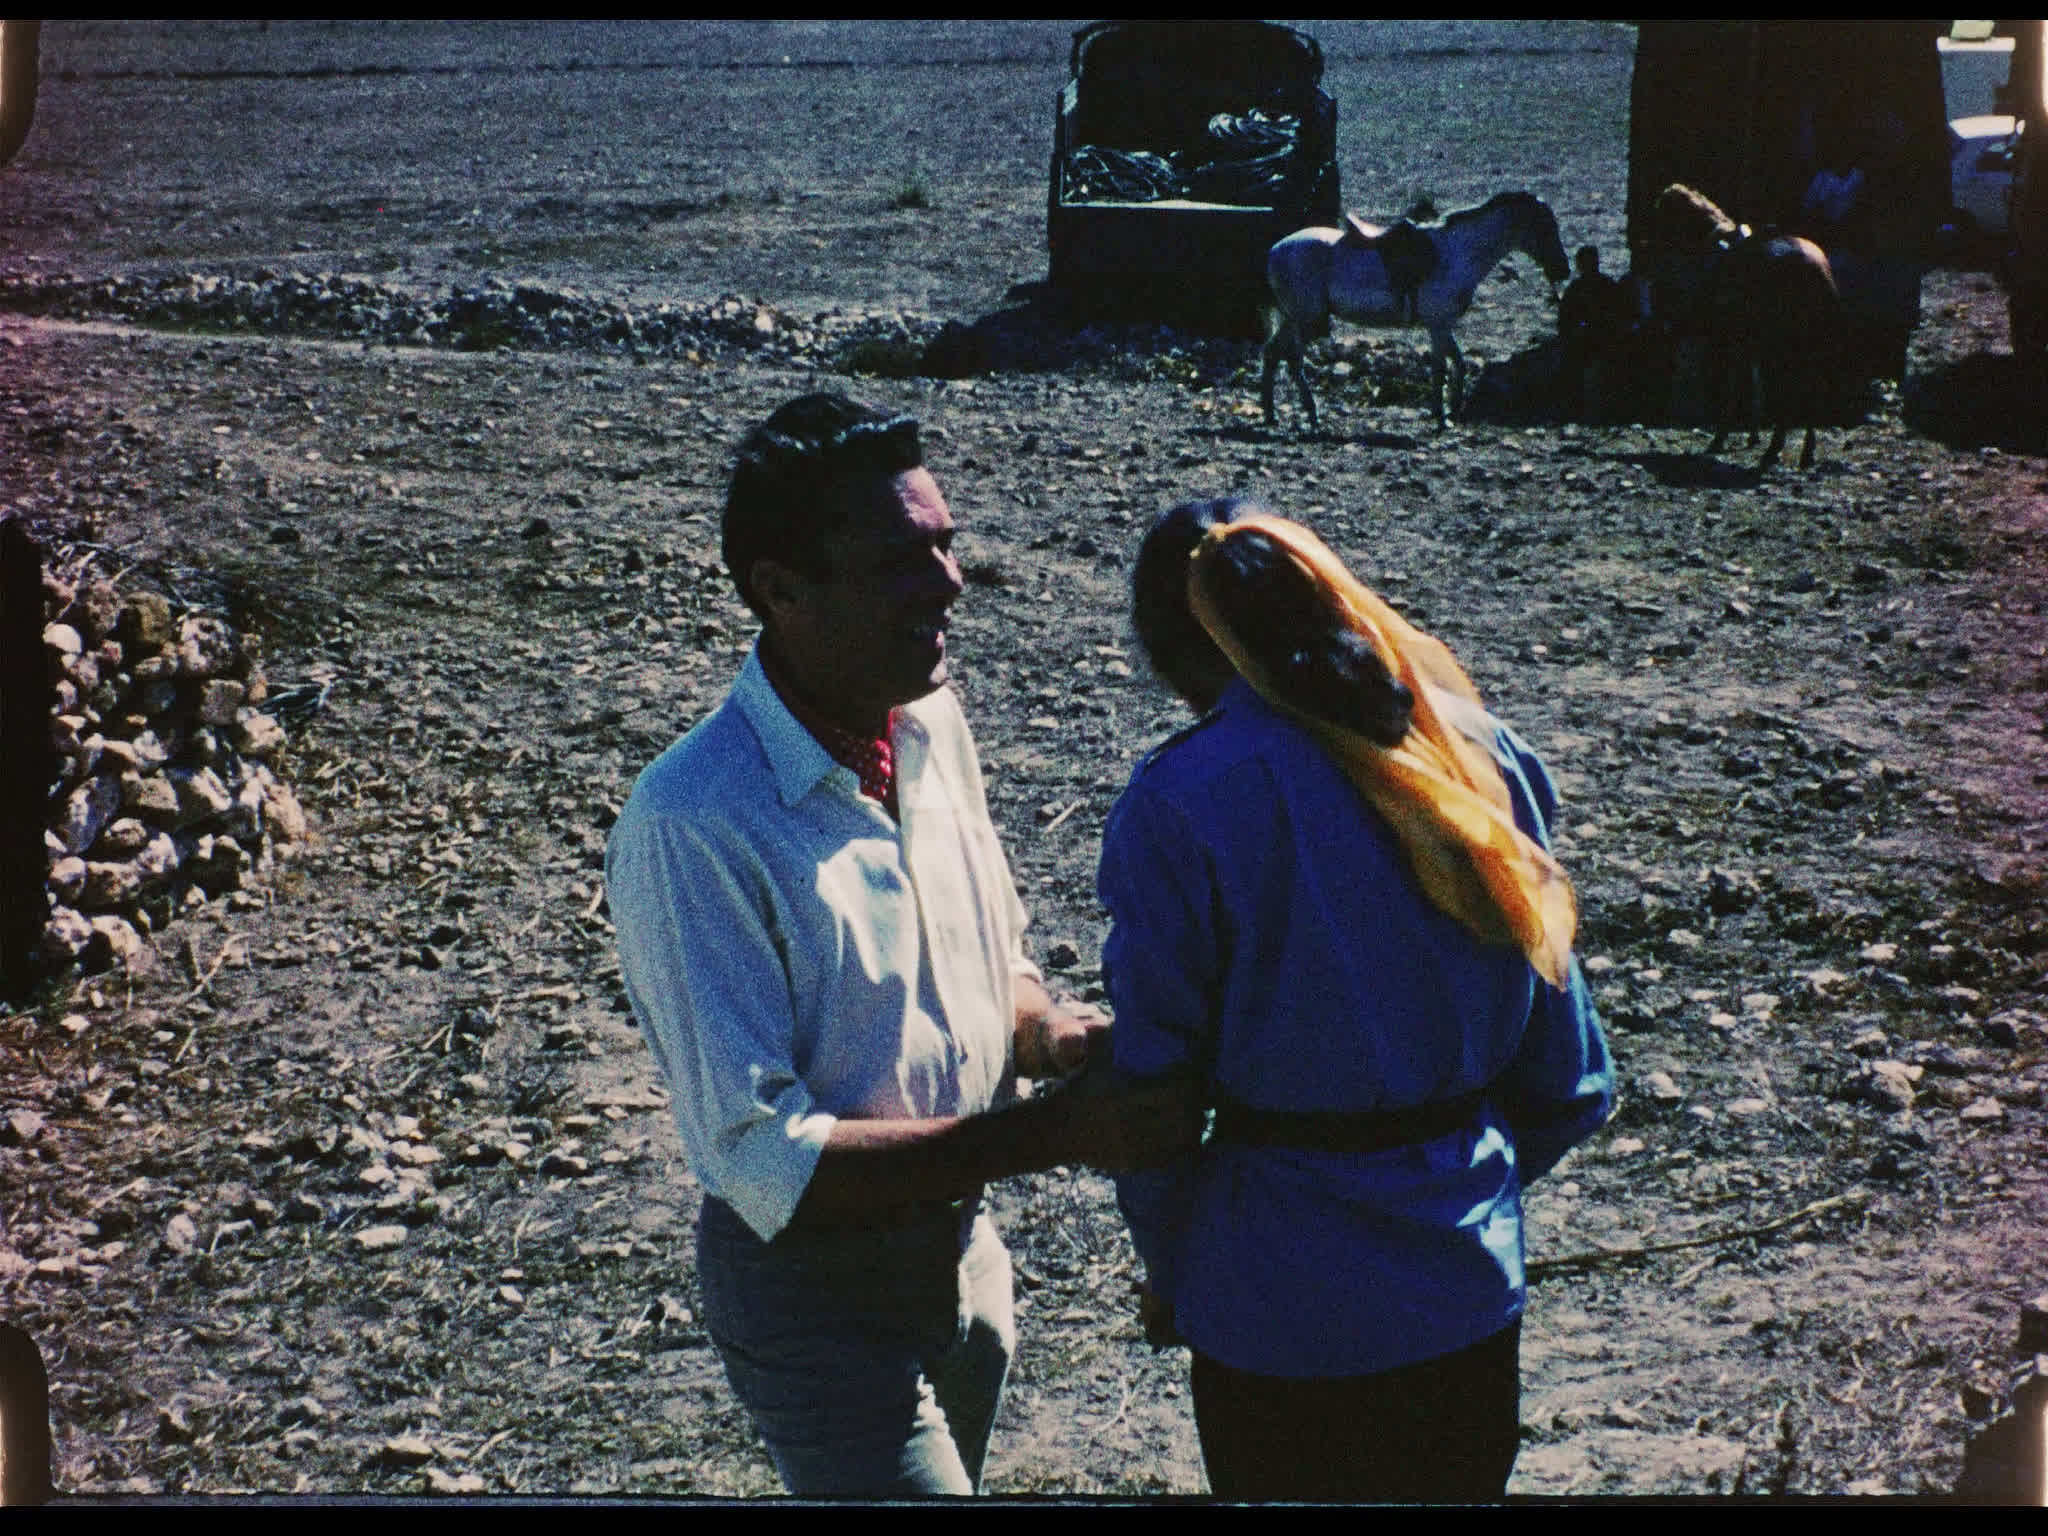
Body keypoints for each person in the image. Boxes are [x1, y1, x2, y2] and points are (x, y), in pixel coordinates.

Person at [605, 391, 1201, 1497]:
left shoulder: (925, 723)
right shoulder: (694, 821)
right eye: (896, 559)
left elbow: (989, 966)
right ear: (779, 590)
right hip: (816, 1298)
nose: (948, 582)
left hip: (962, 1261)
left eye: (944, 542)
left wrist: (1055, 1035)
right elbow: (760, 1160)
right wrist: (1057, 1137)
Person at [1100, 497, 1614, 1503]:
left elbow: (1149, 1098)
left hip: (1271, 1304)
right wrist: (1452, 1187)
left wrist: (1172, 1260)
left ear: (1174, 652)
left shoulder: (1180, 802)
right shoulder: (1474, 761)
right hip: (1464, 1289)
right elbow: (1567, 1076)